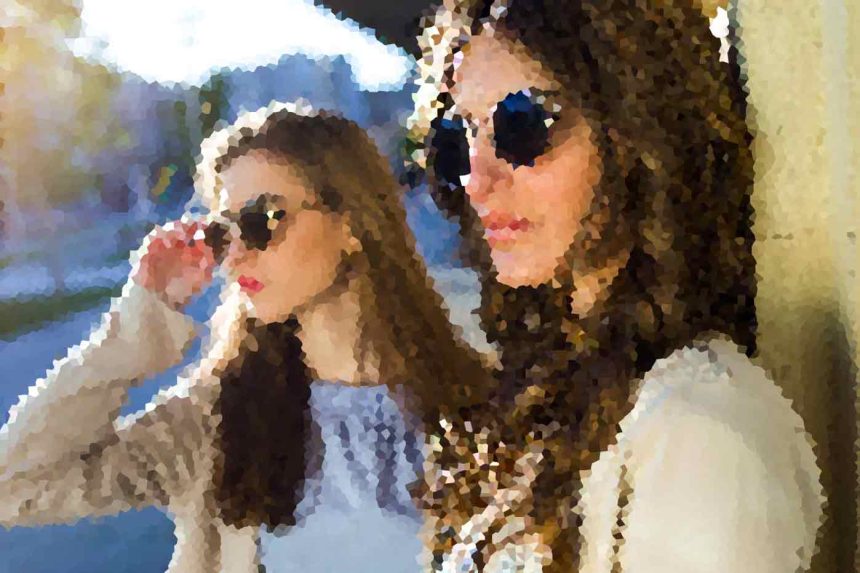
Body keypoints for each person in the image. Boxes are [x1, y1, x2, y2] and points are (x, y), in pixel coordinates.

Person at [404, 1, 825, 572]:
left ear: (636, 130)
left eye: (522, 125)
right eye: (457, 137)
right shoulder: (556, 390)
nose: (477, 178)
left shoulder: (700, 431)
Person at [0, 101, 493, 573]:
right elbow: (17, 483)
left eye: (261, 221)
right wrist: (141, 321)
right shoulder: (216, 422)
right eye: (223, 234)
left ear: (351, 223)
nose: (235, 256)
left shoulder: (483, 405)